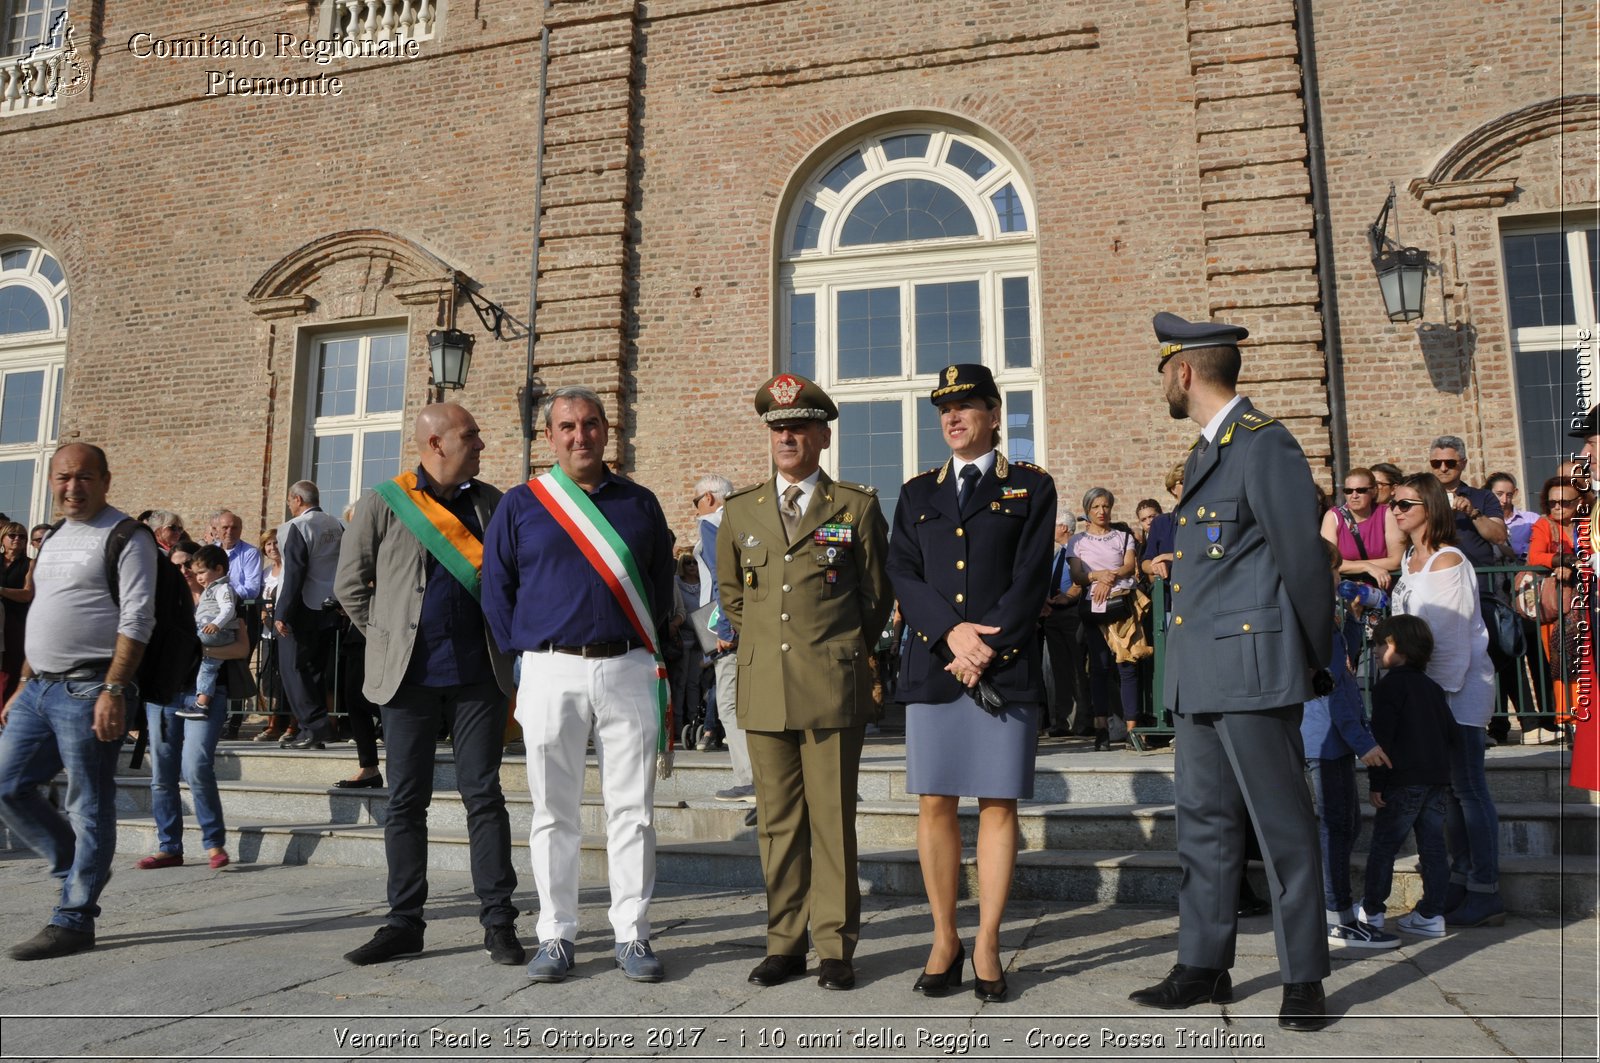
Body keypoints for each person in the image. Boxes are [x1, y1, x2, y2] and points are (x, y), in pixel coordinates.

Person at [1129, 312, 1332, 1032]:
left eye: (1163, 369)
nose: (1162, 382)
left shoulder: (1263, 444)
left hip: (1254, 669)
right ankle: (1203, 962)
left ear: (1183, 370)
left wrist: (1311, 657)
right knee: (1204, 827)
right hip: (1198, 675)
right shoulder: (1208, 450)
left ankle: (1303, 973)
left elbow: (1304, 561)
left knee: (1281, 829)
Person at [483, 386, 674, 984]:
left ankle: (632, 934)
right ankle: (556, 934)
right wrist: (527, 656)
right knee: (552, 812)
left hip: (627, 666)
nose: (580, 436)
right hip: (549, 667)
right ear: (550, 436)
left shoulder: (641, 504)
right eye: (567, 426)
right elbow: (496, 593)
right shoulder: (521, 505)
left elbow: (662, 587)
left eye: (591, 424)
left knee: (633, 811)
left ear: (607, 431)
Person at [717, 372, 892, 992]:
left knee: (832, 820)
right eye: (776, 428)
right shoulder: (740, 512)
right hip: (765, 686)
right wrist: (770, 647)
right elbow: (734, 599)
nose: (786, 436)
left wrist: (835, 650)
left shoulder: (856, 507)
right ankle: (783, 942)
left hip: (830, 684)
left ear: (822, 435)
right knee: (777, 823)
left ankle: (835, 946)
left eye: (798, 426)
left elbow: (874, 598)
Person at [887, 362, 1054, 1003]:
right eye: (944, 410)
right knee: (934, 802)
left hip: (1002, 667)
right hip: (935, 664)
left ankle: (986, 939)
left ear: (993, 413)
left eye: (966, 407)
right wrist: (949, 635)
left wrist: (984, 645)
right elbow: (905, 573)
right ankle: (943, 937)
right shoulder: (916, 492)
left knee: (996, 802)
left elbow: (1032, 576)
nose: (952, 419)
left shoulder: (1031, 488)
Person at [336, 403, 524, 968]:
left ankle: (498, 922)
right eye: (472, 435)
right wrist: (389, 638)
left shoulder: (493, 503)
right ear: (435, 443)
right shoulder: (383, 502)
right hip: (408, 682)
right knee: (405, 800)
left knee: (483, 797)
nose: (482, 443)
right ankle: (403, 922)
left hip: (478, 677)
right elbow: (350, 586)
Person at [0, 443, 157, 960]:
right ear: (51, 481)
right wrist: (24, 680)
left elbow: (137, 617)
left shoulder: (126, 536)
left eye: (85, 477)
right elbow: (46, 610)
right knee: (8, 785)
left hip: (91, 686)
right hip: (39, 686)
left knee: (88, 805)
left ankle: (74, 916)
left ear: (106, 480)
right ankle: (78, 867)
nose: (74, 487)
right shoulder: (57, 537)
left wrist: (114, 689)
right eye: (64, 477)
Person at [1388, 472, 1502, 928]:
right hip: (1429, 691)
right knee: (1451, 794)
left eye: (1405, 504)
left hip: (1456, 689)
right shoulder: (1412, 560)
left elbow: (1452, 638)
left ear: (1430, 508)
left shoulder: (1447, 561)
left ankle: (1486, 889)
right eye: (1394, 503)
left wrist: (1432, 700)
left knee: (1469, 789)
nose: (1396, 510)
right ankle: (1461, 879)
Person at [1302, 541, 1394, 951]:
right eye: (1336, 570)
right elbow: (1335, 688)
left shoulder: (1323, 620)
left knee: (1344, 825)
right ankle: (1336, 918)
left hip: (1331, 739)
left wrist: (1354, 621)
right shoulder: (1316, 622)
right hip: (1326, 740)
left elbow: (1346, 661)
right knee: (1335, 828)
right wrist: (1363, 743)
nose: (1342, 578)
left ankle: (1336, 912)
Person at [135, 544, 243, 874]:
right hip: (164, 695)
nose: (183, 573)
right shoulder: (161, 605)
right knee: (162, 774)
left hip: (206, 692)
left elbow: (242, 647)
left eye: (187, 566)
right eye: (177, 567)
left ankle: (214, 844)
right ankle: (169, 847)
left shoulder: (221, 597)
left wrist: (197, 648)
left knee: (196, 766)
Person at [1359, 614, 1457, 939]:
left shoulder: (1388, 687)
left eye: (1381, 644)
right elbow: (1450, 733)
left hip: (1402, 780)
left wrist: (1377, 784)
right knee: (1433, 848)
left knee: (1384, 846)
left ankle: (1372, 912)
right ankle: (1432, 913)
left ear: (1397, 646)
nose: (1374, 650)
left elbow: (1382, 739)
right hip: (1436, 779)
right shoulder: (1433, 688)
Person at [1426, 435, 1524, 743]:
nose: (1443, 468)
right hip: (1437, 589)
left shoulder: (1482, 497)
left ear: (1463, 464)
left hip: (1477, 589)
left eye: (1450, 463)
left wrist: (1473, 513)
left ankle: (1490, 725)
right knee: (1439, 658)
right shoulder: (1422, 495)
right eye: (1436, 463)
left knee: (1483, 659)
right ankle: (1443, 725)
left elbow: (1498, 536)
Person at [692, 473, 757, 802]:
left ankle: (749, 780)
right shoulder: (741, 523)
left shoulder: (712, 525)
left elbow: (723, 579)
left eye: (696, 502)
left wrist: (725, 630)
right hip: (734, 622)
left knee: (729, 704)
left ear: (710, 498)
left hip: (722, 625)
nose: (695, 510)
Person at [274, 480, 344, 749]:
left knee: (293, 669)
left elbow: (294, 572)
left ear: (297, 499)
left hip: (301, 606)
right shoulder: (336, 524)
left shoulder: (296, 527)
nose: (290, 505)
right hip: (328, 605)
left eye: (290, 501)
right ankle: (311, 730)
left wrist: (282, 612)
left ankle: (314, 727)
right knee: (314, 669)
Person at [1068, 487, 1140, 750]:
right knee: (1098, 669)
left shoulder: (1122, 537)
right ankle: (1101, 730)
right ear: (1088, 510)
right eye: (1096, 507)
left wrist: (1107, 577)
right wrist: (1098, 577)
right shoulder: (1077, 541)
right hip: (1093, 608)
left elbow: (1129, 566)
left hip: (1120, 606)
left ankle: (1132, 729)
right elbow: (1078, 575)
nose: (1102, 511)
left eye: (1106, 506)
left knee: (1127, 666)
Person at [1522, 475, 1590, 729]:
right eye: (1551, 503)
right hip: (1559, 603)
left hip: (1588, 599)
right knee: (1562, 656)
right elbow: (1535, 555)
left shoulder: (1588, 523)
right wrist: (1563, 561)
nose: (1557, 508)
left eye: (1564, 502)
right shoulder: (1544, 525)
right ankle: (1568, 716)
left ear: (1579, 501)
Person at [1039, 508, 1089, 737]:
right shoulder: (1058, 554)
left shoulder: (1076, 549)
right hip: (1053, 616)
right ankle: (1063, 721)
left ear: (1063, 527)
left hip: (1070, 614)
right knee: (1059, 671)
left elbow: (1080, 581)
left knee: (1077, 668)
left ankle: (1082, 721)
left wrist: (1066, 597)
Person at [180, 545, 239, 721]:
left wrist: (216, 624)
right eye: (197, 573)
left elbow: (228, 608)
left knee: (187, 643)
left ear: (219, 569)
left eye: (202, 572)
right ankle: (201, 704)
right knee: (208, 668)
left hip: (217, 633)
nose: (198, 577)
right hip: (210, 632)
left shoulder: (223, 588)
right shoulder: (210, 590)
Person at [1320, 467, 1404, 590]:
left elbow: (1396, 560)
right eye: (1348, 491)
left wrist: (1351, 566)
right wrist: (1367, 567)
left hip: (1382, 593)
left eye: (1361, 490)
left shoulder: (1386, 514)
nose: (1354, 496)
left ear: (1374, 491)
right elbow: (1329, 561)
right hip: (1346, 594)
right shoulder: (1333, 517)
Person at [252, 529, 292, 743]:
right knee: (269, 679)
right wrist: (265, 617)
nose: (272, 547)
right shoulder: (265, 573)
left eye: (276, 543)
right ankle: (273, 723)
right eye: (268, 544)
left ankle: (291, 724)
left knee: (287, 678)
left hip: (285, 632)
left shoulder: (290, 569)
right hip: (267, 633)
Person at [0, 520, 36, 702]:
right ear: (2, 539)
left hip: (15, 621)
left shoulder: (30, 564)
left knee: (11, 668)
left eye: (22, 536)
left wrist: (1, 590)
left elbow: (27, 594)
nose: (17, 539)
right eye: (12, 535)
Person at [1485, 472, 1539, 560]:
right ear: (1488, 493)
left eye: (1509, 495)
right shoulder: (1482, 521)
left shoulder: (1531, 519)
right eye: (1499, 494)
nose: (1504, 500)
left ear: (1515, 492)